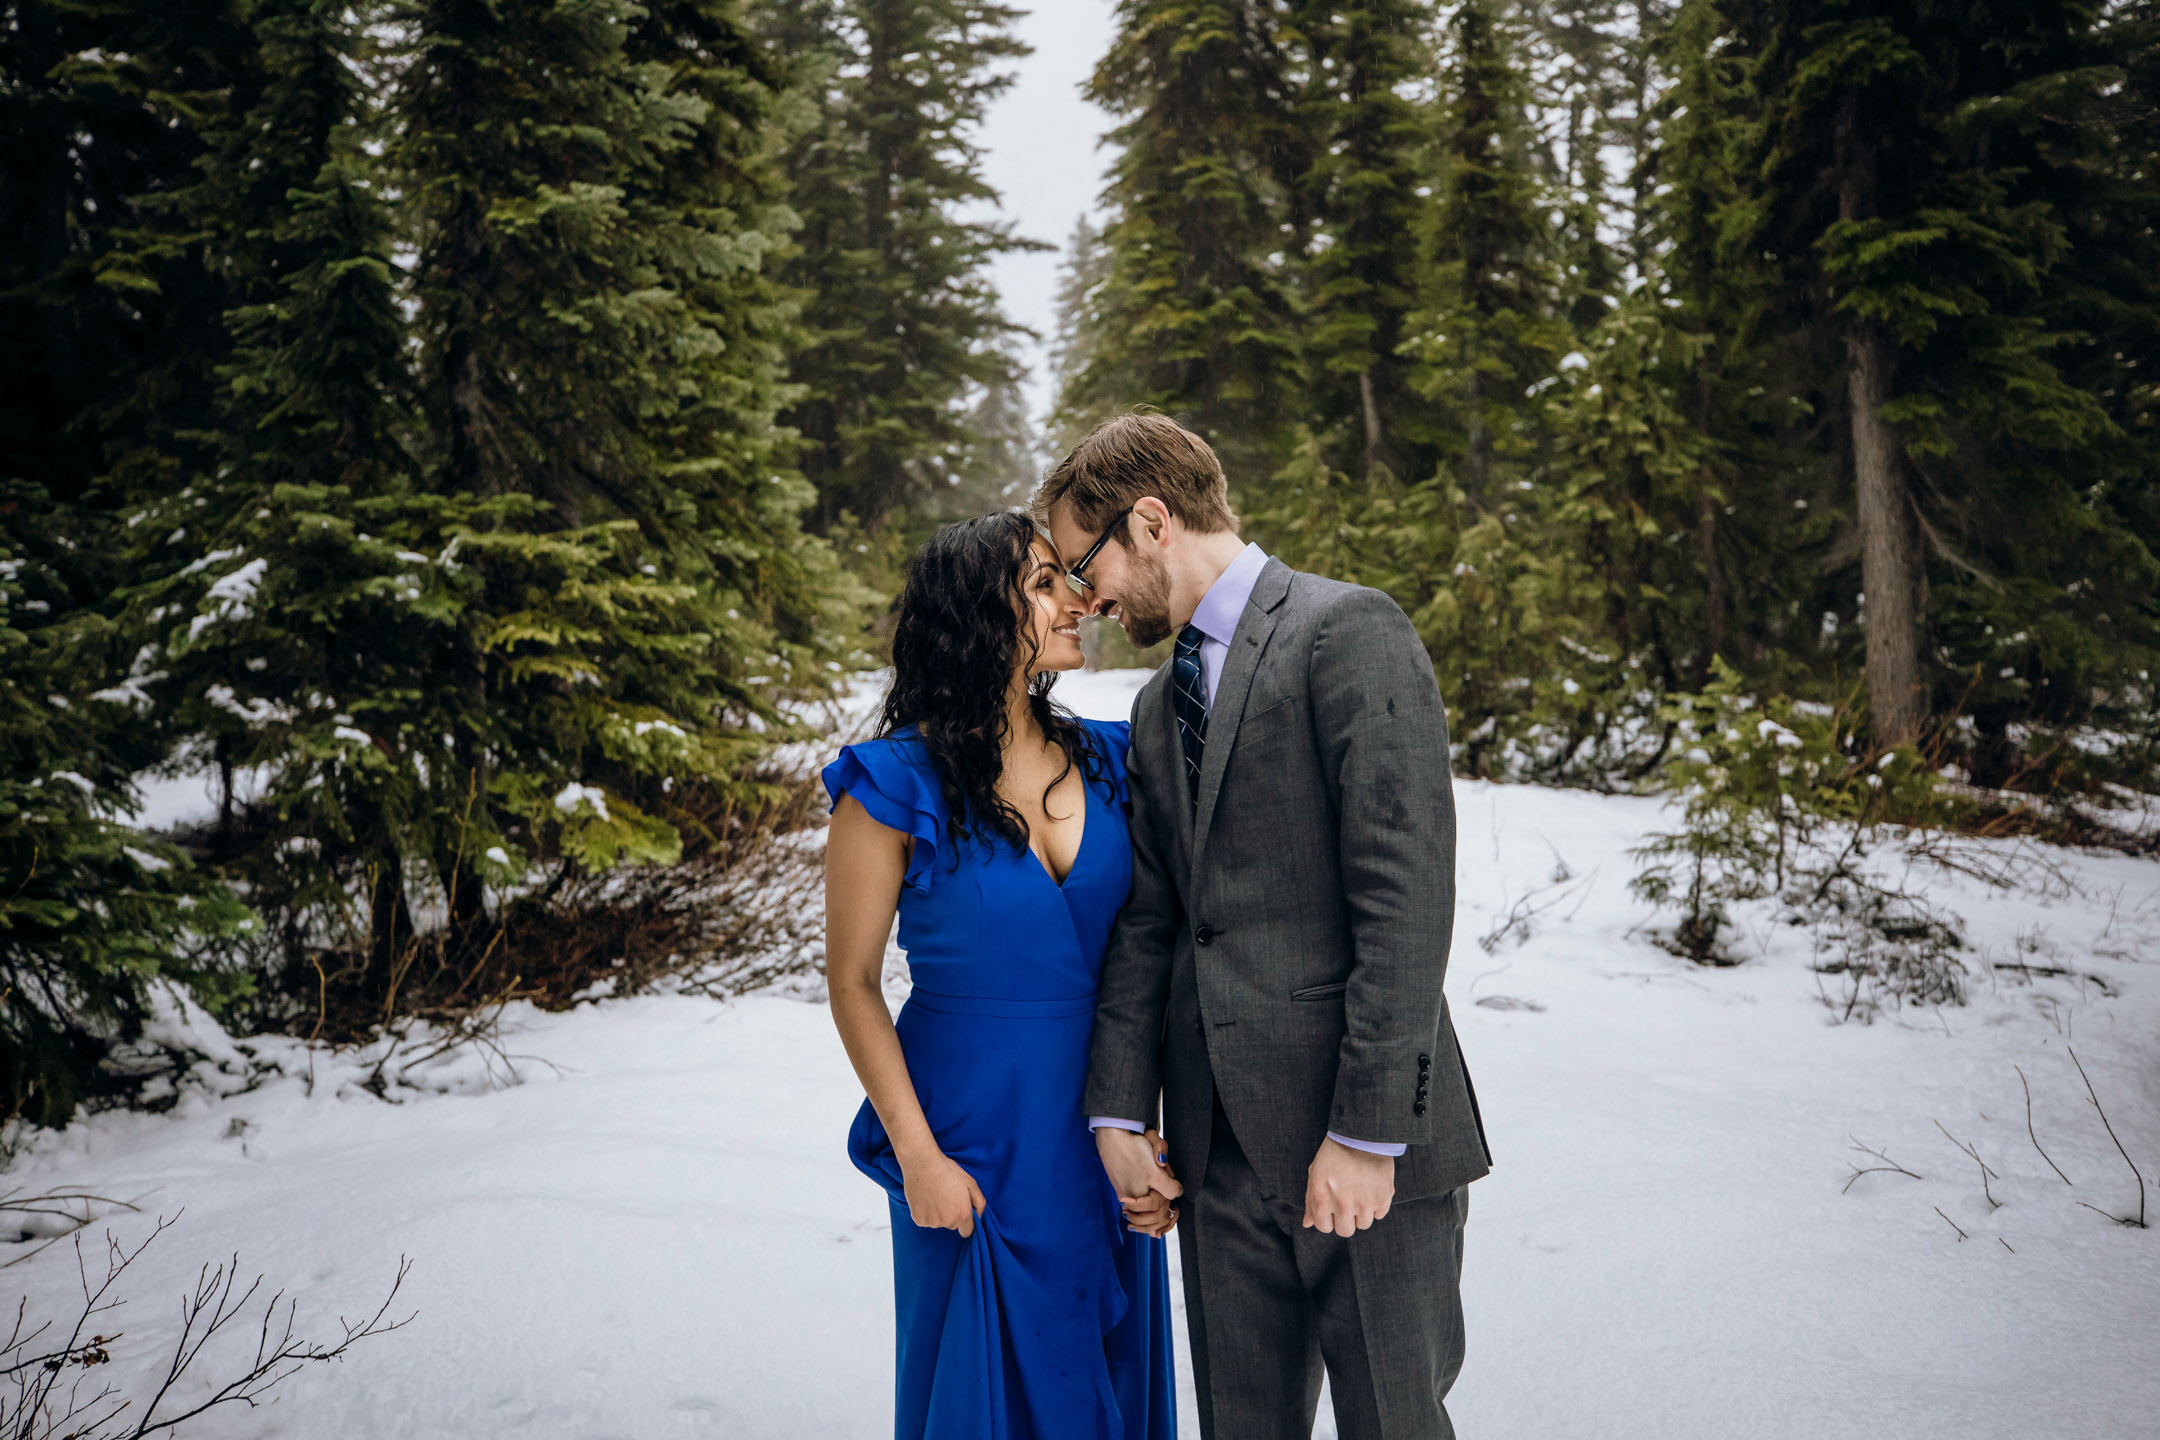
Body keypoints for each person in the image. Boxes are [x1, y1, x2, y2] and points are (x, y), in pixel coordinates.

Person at [1039, 413, 1492, 1440]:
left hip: (1361, 1147)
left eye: (1083, 563)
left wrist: (1368, 1131)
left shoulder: (1349, 630)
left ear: (1150, 520)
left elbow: (1405, 893)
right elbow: (1154, 925)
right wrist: (1118, 1110)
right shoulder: (1158, 710)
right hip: (1216, 1153)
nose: (1084, 599)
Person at [822, 512, 1180, 1440]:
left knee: (1103, 1370)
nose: (1079, 601)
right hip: (966, 1136)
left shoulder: (1113, 759)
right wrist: (918, 1156)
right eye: (1045, 584)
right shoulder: (891, 784)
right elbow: (855, 983)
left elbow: (1153, 949)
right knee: (977, 1395)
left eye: (1070, 581)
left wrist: (1149, 1122)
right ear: (980, 614)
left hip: (1099, 1120)